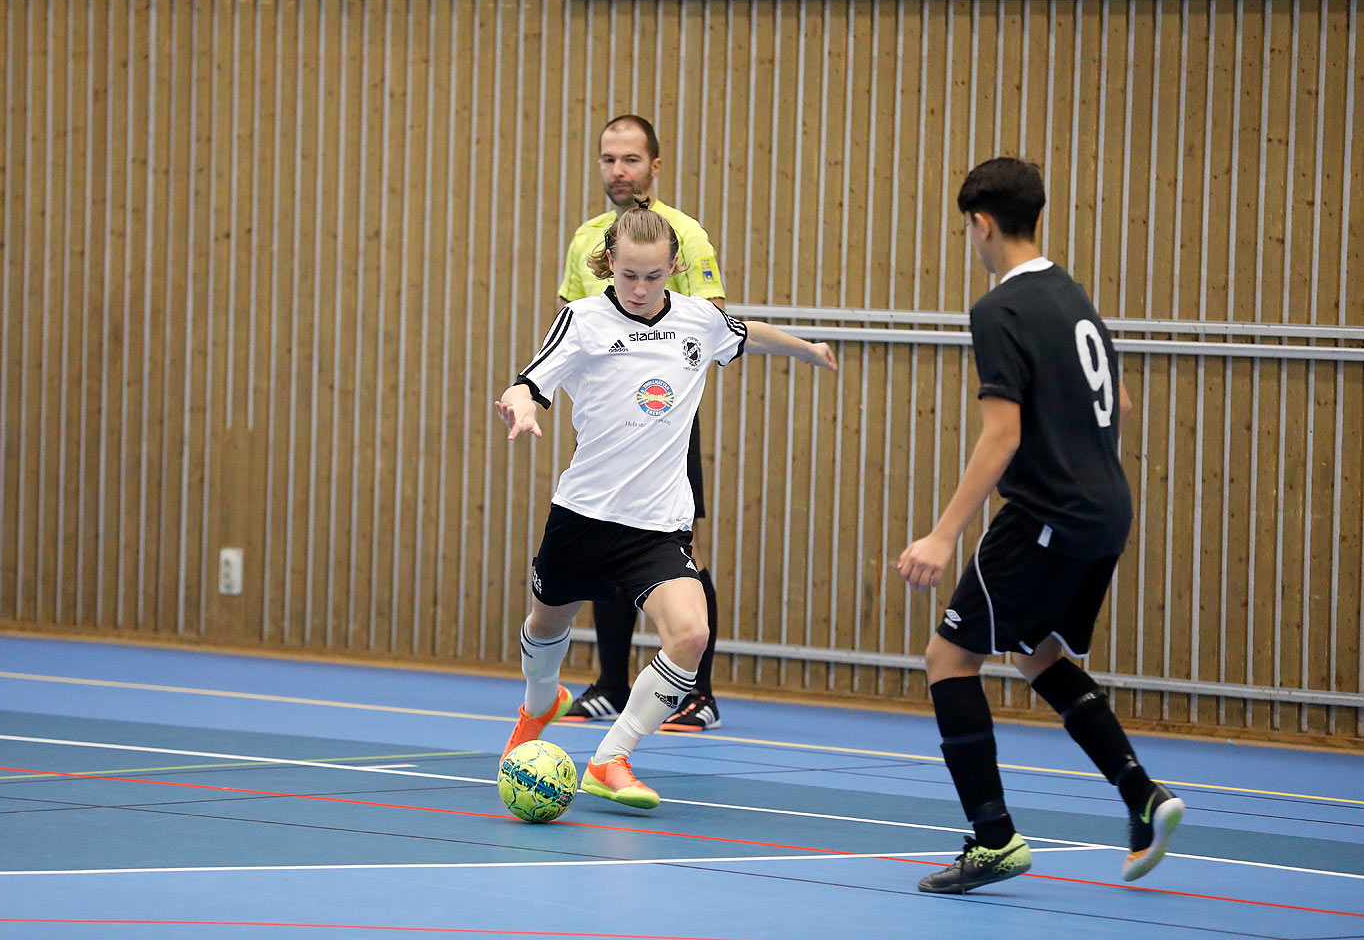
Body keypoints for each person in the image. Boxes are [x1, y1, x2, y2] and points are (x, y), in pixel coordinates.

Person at [897, 157, 1183, 894]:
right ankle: (1141, 796)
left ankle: (994, 840)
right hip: (1106, 510)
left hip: (1048, 515)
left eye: (969, 228)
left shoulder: (1000, 308)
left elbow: (1003, 435)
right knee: (1036, 654)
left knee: (948, 659)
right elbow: (1118, 402)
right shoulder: (1073, 296)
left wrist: (942, 534)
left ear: (981, 224)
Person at [498, 199, 836, 808]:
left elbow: (747, 334)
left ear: (673, 267)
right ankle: (539, 701)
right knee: (545, 626)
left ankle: (610, 757)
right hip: (583, 516)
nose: (640, 288)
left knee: (690, 633)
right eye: (628, 275)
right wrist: (521, 404)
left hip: (659, 525)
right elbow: (529, 380)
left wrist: (807, 349)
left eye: (653, 276)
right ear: (609, 265)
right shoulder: (582, 319)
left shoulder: (697, 321)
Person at [556, 115, 729, 733]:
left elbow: (710, 326)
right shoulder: (587, 241)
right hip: (605, 427)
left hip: (664, 422)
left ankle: (698, 693)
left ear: (654, 166)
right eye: (607, 159)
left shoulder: (685, 236)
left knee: (682, 551)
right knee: (605, 537)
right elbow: (575, 327)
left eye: (630, 159)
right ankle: (609, 681)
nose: (617, 171)